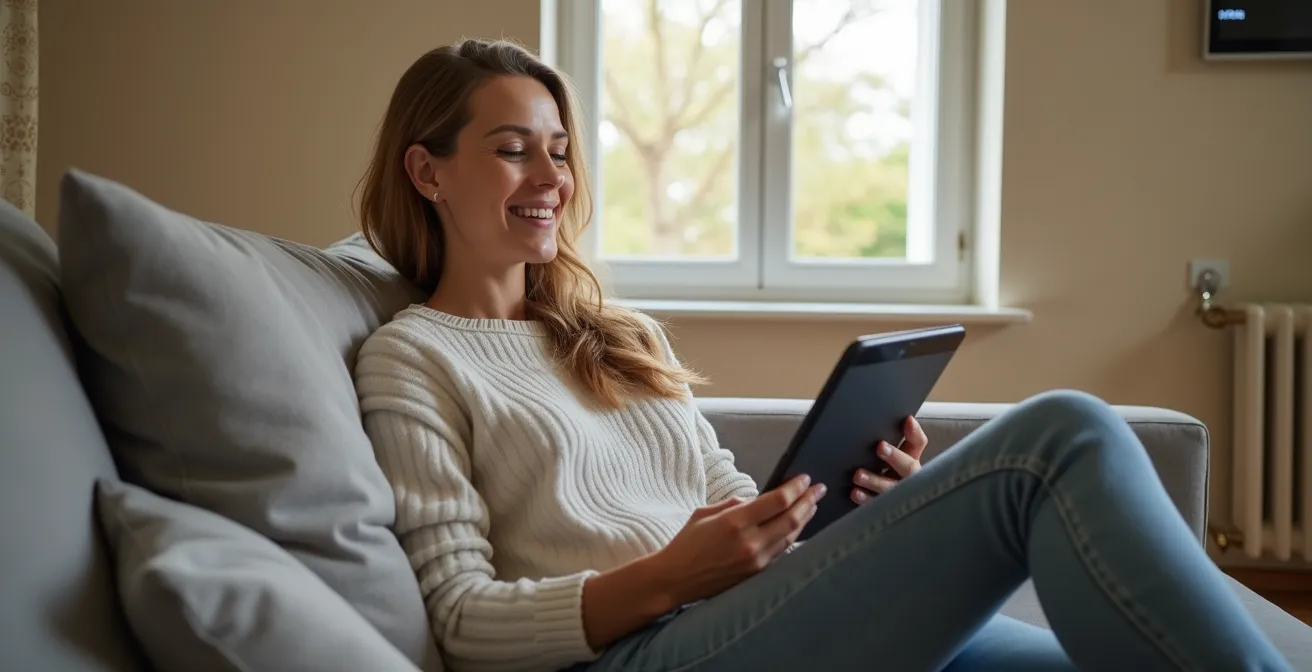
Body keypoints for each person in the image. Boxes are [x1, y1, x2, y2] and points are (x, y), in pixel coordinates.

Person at [351, 38, 1290, 672]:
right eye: (513, 150)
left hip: (753, 611)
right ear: (427, 171)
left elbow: (727, 497)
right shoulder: (413, 360)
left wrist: (846, 510)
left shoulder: (619, 335)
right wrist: (668, 576)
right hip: (643, 651)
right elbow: (460, 621)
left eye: (559, 151)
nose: (552, 178)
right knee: (1060, 435)